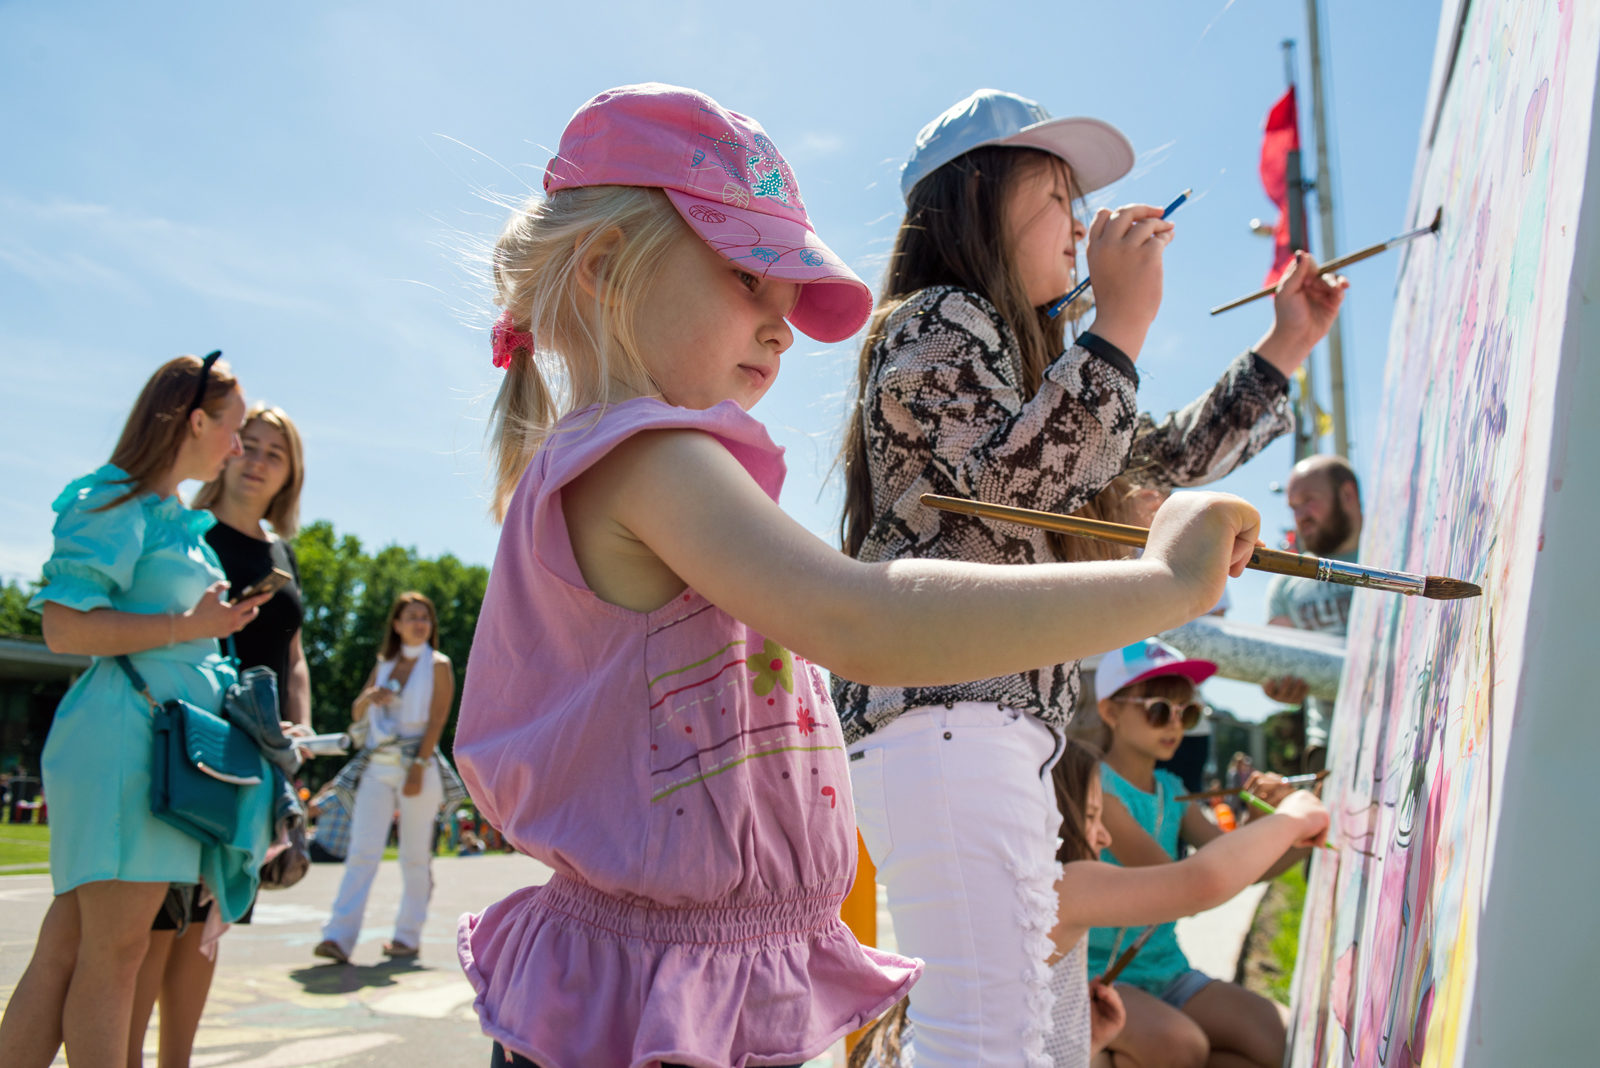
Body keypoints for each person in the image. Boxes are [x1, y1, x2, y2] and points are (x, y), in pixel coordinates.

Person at [452, 82, 1265, 1068]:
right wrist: (1163, 586)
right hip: (658, 996)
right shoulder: (650, 458)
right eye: (750, 276)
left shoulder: (627, 459)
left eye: (787, 292)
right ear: (607, 269)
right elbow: (866, 618)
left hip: (680, 985)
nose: (780, 324)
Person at [834, 88, 1347, 1064]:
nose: (1081, 223)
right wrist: (1120, 325)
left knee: (1024, 1034)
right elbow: (1002, 487)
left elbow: (1144, 467)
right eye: (1057, 196)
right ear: (975, 200)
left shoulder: (1019, 355)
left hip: (983, 725)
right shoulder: (935, 318)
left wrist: (1285, 346)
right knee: (984, 1041)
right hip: (944, 717)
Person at [0, 353, 274, 1068]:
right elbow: (64, 626)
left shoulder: (172, 518)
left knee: (67, 950)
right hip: (129, 746)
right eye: (235, 428)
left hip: (154, 751)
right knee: (115, 955)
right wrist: (192, 627)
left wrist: (212, 628)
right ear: (195, 421)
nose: (238, 446)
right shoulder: (115, 501)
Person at [847, 740, 1328, 1068]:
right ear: (1051, 819)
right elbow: (1201, 880)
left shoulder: (982, 887)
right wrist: (1291, 817)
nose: (1102, 835)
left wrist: (1085, 1042)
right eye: (1093, 815)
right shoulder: (1058, 887)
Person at [126, 402, 312, 1067]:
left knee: (210, 924)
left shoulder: (279, 551)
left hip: (252, 761)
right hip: (188, 748)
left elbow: (292, 654)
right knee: (158, 922)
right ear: (226, 448)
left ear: (290, 473)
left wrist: (301, 732)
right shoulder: (190, 535)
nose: (257, 461)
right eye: (249, 445)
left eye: (275, 453)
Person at [1087, 639, 1311, 1068]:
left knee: (1278, 1041)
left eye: (1186, 712)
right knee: (1181, 1046)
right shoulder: (1096, 787)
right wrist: (1278, 825)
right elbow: (1182, 884)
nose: (1174, 724)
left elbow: (1244, 868)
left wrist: (1303, 828)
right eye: (1157, 709)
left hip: (1165, 971)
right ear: (1110, 711)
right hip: (1096, 977)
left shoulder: (1174, 791)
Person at [313, 591, 457, 963]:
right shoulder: (385, 664)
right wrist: (369, 697)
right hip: (379, 763)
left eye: (425, 616)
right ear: (396, 624)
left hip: (418, 764)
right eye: (411, 616)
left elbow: (438, 719)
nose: (419, 622)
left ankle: (407, 936)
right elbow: (357, 713)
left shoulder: (438, 664)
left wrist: (419, 768)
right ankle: (338, 938)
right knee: (362, 851)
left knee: (414, 855)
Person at [1261, 454, 1363, 770]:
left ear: (1347, 495)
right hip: (1331, 748)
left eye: (1309, 501)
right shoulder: (1287, 583)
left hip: (1414, 728)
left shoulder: (1399, 558)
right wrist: (1277, 685)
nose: (1301, 516)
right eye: (1293, 507)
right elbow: (1274, 663)